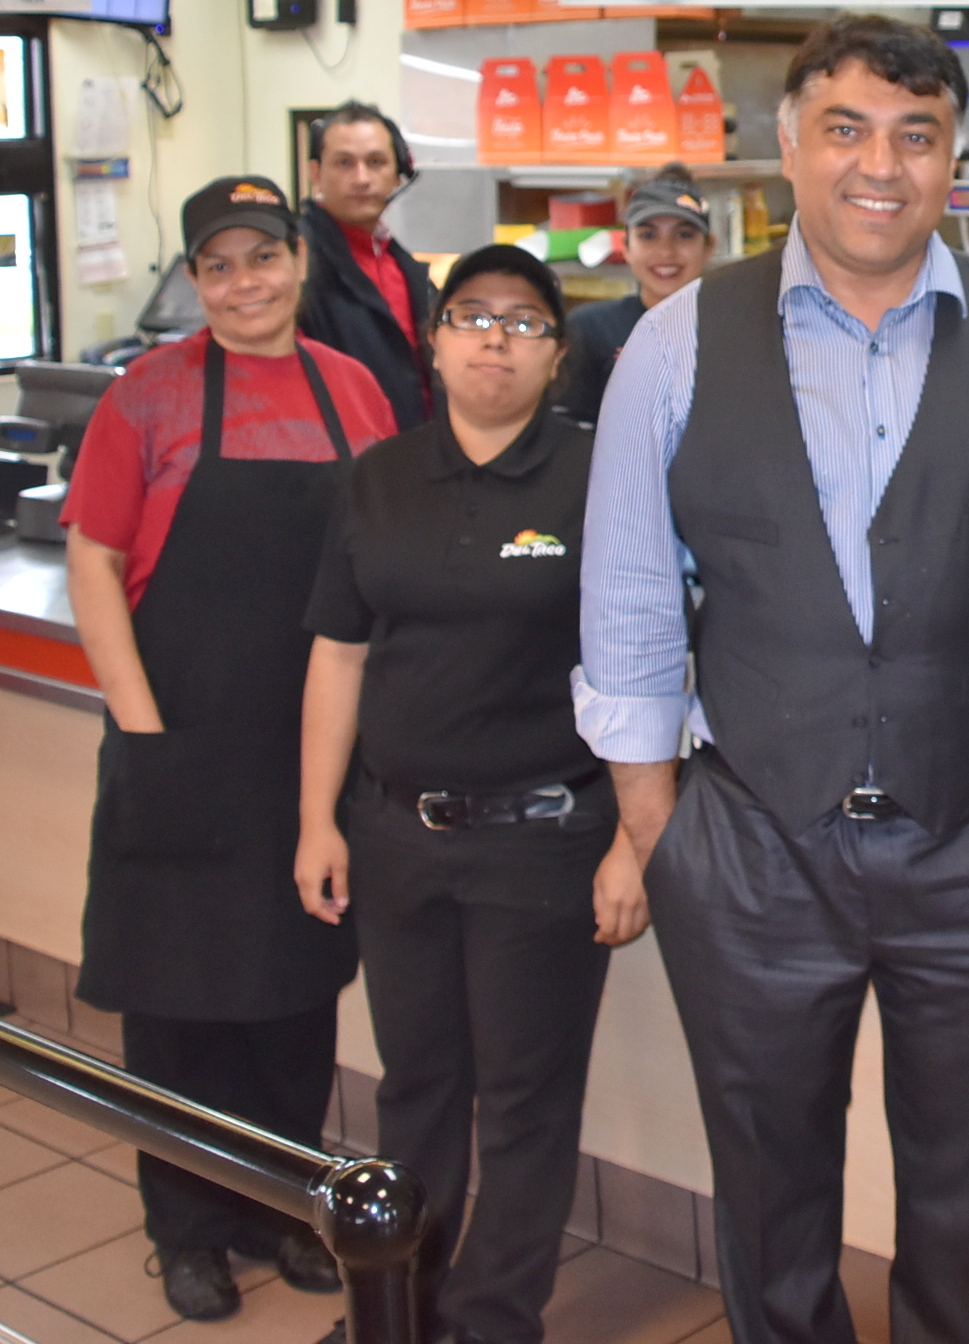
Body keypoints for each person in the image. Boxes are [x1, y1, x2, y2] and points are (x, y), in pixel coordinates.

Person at [577, 14, 969, 1343]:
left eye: (914, 135)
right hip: (751, 841)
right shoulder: (677, 342)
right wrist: (660, 828)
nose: (879, 165)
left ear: (953, 160)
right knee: (770, 1195)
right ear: (789, 147)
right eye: (846, 129)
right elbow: (630, 595)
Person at [60, 176, 396, 1322]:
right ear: (195, 279)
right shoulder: (147, 396)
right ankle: (187, 1227)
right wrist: (143, 727)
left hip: (312, 755)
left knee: (294, 998)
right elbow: (95, 560)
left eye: (262, 256)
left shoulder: (351, 389)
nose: (244, 282)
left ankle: (278, 1206)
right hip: (181, 740)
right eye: (219, 265)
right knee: (178, 1007)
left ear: (299, 259)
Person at [293, 244, 612, 1344]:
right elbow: (340, 652)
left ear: (556, 356)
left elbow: (647, 660)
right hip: (395, 834)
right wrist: (317, 819)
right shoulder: (379, 475)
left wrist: (636, 838)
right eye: (472, 315)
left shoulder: (601, 474)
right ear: (432, 342)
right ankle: (400, 1304)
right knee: (415, 1085)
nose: (495, 339)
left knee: (525, 1098)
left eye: (524, 322)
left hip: (545, 839)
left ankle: (491, 1317)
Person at [300, 101, 434, 431]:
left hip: (412, 447)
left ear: (398, 173)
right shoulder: (297, 264)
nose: (361, 179)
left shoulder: (402, 265)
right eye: (344, 163)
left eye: (376, 162)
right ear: (316, 173)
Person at [556, 165, 715, 426]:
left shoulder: (735, 330)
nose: (665, 252)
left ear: (709, 247)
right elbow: (572, 430)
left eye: (684, 235)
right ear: (626, 247)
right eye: (648, 235)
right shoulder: (591, 328)